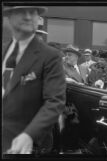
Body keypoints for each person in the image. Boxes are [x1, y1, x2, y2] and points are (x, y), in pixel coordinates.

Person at [2, 6, 66, 154]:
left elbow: (55, 101)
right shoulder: (3, 50)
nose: (28, 17)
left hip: (25, 144)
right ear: (10, 18)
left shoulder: (51, 56)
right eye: (21, 12)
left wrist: (29, 135)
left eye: (33, 12)